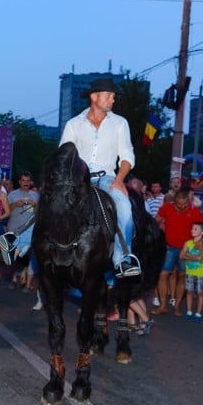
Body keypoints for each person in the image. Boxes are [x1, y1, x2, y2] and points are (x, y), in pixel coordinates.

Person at [59, 77, 140, 278]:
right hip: (78, 179)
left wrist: (119, 180)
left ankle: (122, 260)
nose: (113, 99)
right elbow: (64, 156)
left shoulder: (120, 123)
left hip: (107, 178)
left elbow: (127, 156)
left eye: (113, 96)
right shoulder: (74, 124)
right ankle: (18, 241)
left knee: (124, 208)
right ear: (94, 97)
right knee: (52, 203)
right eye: (109, 95)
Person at [155, 190, 203, 314]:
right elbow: (156, 221)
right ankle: (163, 306)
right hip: (169, 247)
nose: (182, 207)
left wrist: (199, 244)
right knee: (163, 275)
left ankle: (177, 306)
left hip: (186, 248)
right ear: (174, 201)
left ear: (188, 201)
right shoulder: (166, 207)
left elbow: (201, 229)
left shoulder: (195, 211)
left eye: (184, 204)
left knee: (182, 276)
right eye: (179, 204)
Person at [180, 222, 203, 321]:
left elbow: (200, 258)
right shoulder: (188, 243)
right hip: (190, 272)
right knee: (189, 291)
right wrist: (193, 257)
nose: (192, 230)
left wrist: (188, 255)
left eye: (196, 229)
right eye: (192, 228)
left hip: (201, 272)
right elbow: (181, 255)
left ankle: (198, 313)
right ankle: (189, 311)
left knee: (200, 293)